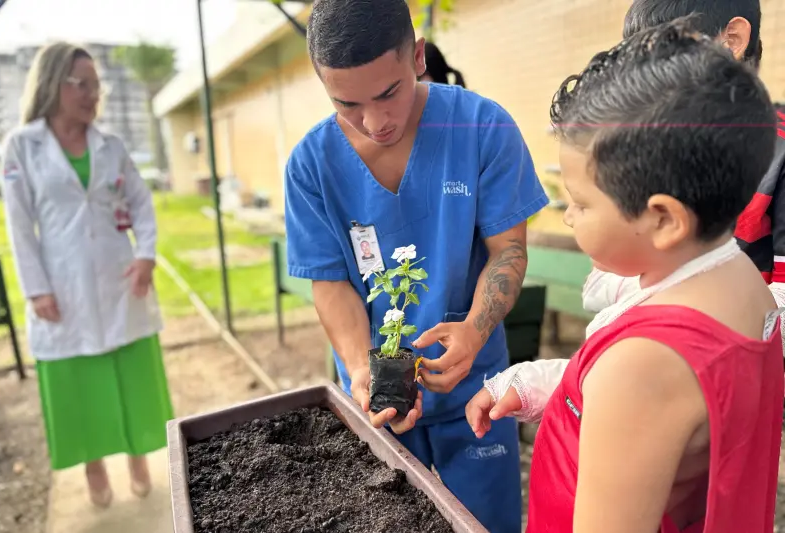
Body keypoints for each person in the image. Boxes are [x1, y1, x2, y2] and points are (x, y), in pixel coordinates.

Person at [468, 19, 783, 531]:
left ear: (663, 220)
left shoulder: (641, 365)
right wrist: (551, 386)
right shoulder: (746, 284)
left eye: (580, 202)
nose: (568, 217)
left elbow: (644, 388)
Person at [284, 0, 548, 530]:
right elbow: (331, 281)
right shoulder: (311, 165)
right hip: (377, 397)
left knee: (484, 522)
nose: (374, 121)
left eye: (389, 93)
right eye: (347, 104)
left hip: (476, 389)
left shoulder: (481, 126)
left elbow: (508, 252)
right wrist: (362, 369)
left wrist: (473, 331)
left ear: (418, 57)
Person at [0, 42, 173, 508]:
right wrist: (36, 289)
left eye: (98, 85)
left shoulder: (111, 146)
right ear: (54, 84)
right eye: (83, 84)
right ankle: (93, 465)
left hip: (120, 278)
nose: (93, 94)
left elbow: (140, 203)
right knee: (78, 378)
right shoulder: (23, 145)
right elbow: (18, 226)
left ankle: (138, 454)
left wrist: (146, 255)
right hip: (63, 283)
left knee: (128, 369)